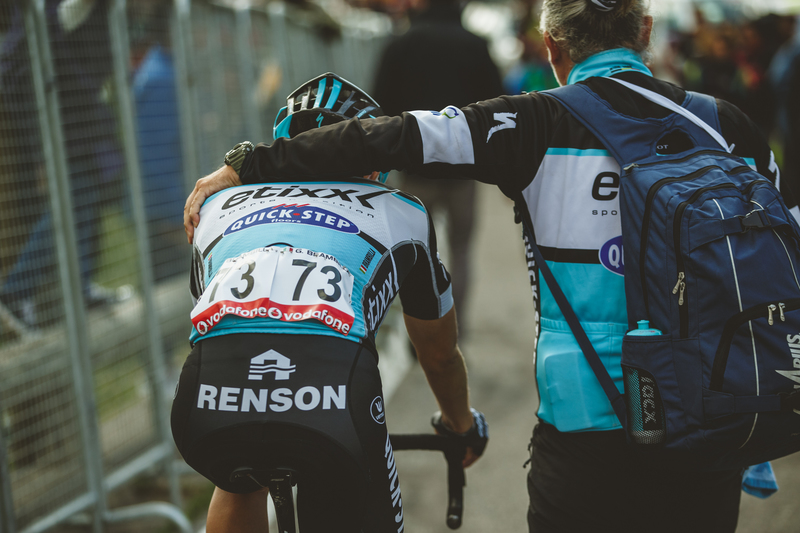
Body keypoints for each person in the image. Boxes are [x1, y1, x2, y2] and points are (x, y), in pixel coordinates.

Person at [184, 1, 791, 530]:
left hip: (586, 431)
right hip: (712, 417)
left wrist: (250, 163)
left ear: (552, 45)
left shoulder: (533, 121)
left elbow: (387, 137)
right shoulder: (729, 126)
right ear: (647, 32)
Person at [172, 72, 488, 533]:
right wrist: (460, 425)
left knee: (238, 475)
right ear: (370, 158)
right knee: (338, 473)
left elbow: (227, 327)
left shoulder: (214, 207)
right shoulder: (402, 209)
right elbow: (438, 355)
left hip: (204, 405)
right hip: (334, 406)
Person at [372, 0, 503, 335]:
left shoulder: (400, 44)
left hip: (415, 169)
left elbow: (381, 104)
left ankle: (418, 333)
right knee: (461, 249)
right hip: (463, 170)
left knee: (412, 252)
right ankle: (454, 330)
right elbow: (496, 104)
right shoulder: (476, 45)